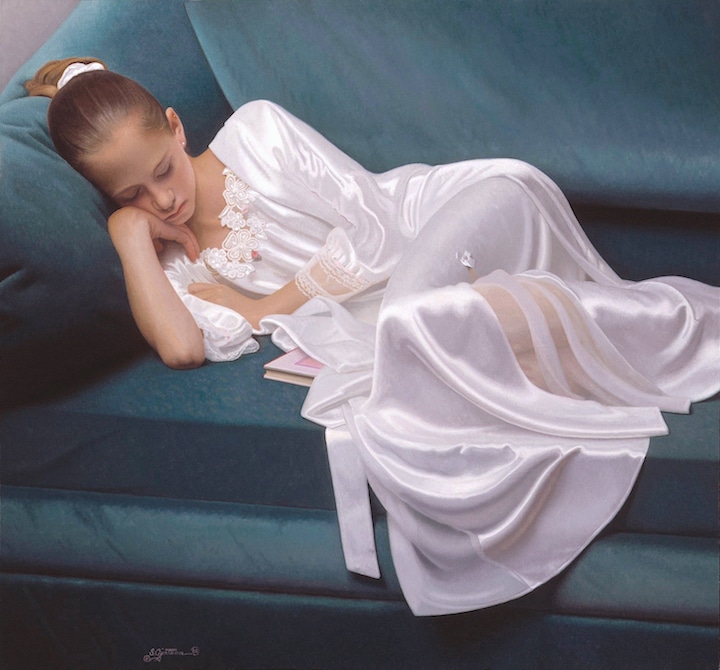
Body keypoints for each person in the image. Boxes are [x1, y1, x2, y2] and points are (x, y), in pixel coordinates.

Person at [27, 58, 720, 615]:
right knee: (414, 354)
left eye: (162, 172)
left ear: (177, 128)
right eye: (131, 197)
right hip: (415, 313)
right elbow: (182, 348)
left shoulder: (257, 134)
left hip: (462, 213)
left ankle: (688, 331)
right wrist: (129, 239)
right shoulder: (177, 268)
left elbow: (376, 231)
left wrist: (267, 303)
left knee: (409, 325)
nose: (163, 201)